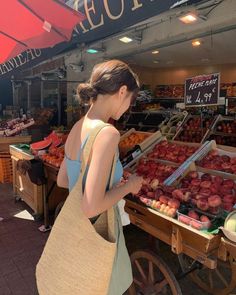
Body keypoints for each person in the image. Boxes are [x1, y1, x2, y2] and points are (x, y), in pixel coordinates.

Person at [57, 59, 143, 295]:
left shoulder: (78, 127)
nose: (128, 107)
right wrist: (130, 186)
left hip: (77, 233)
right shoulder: (107, 133)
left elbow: (63, 180)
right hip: (99, 233)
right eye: (131, 100)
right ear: (122, 91)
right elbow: (92, 206)